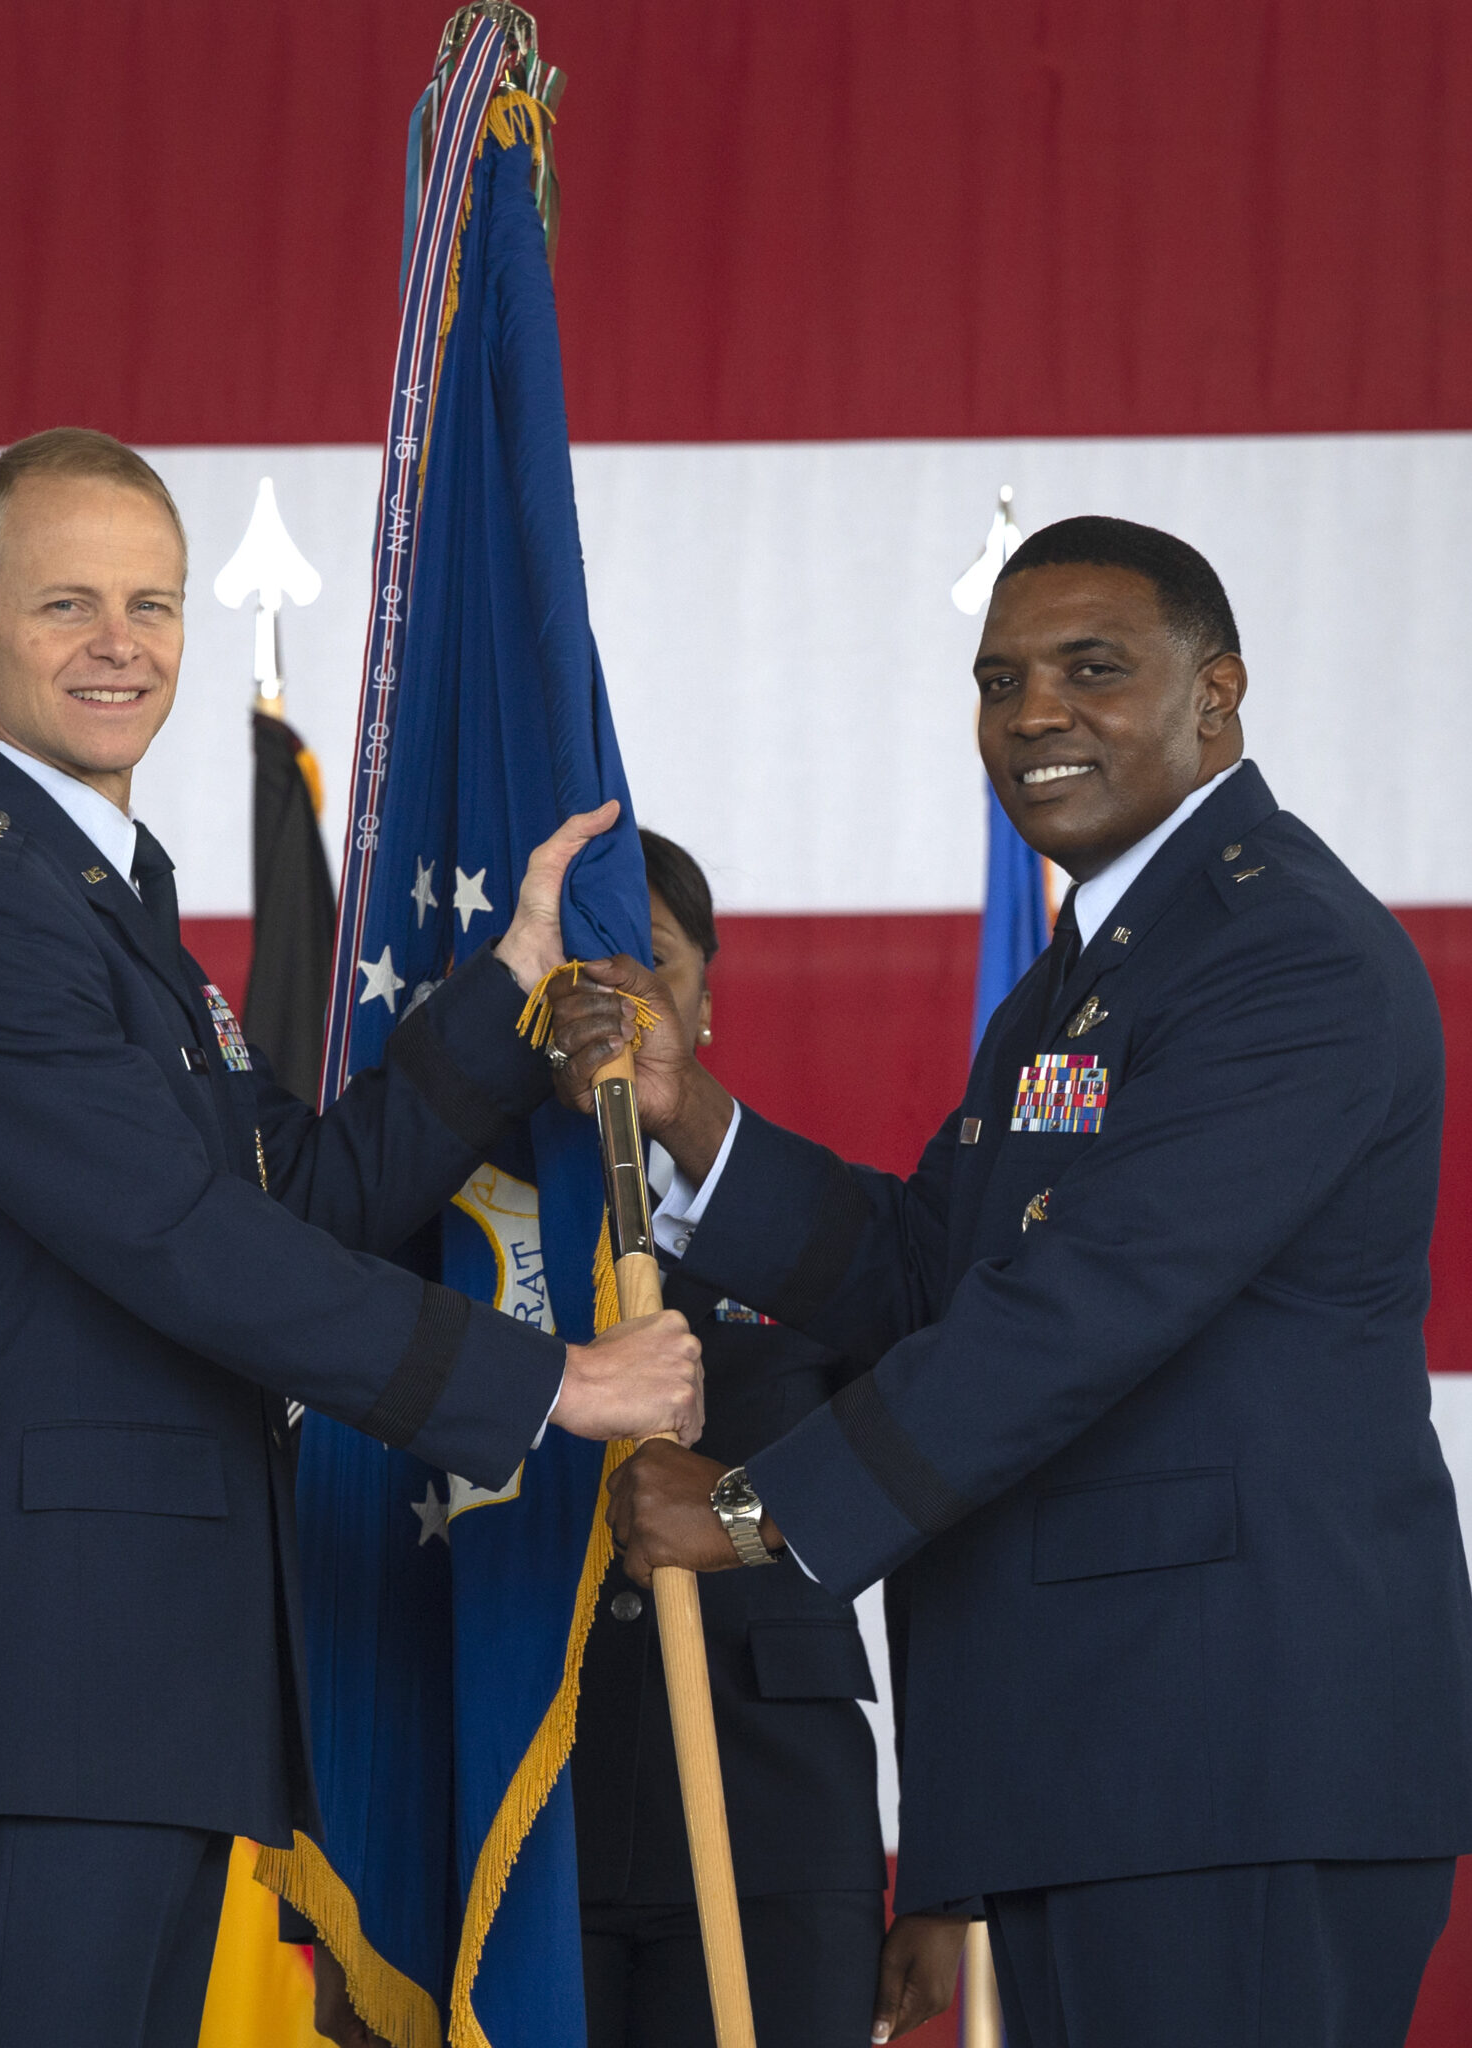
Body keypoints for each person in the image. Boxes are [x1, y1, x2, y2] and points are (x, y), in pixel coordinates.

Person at [554, 517, 1472, 2048]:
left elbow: (1079, 1314)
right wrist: (688, 1113)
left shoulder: (1284, 956)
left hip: (1237, 1760)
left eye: (1093, 670)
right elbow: (932, 1271)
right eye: (1000, 682)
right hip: (1107, 1759)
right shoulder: (1091, 975)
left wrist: (752, 1512)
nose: (1033, 714)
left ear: (1217, 696)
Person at [0, 427, 703, 2047]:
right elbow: (181, 1240)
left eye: (150, 604)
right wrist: (552, 1382)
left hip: (135, 1678)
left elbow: (291, 1194)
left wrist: (507, 984)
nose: (119, 644)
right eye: (66, 603)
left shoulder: (96, 900)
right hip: (50, 1676)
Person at [572, 830, 956, 2048]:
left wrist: (945, 1870)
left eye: (653, 958)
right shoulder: (457, 1245)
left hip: (776, 1821)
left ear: (705, 1000)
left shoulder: (820, 1238)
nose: (615, 990)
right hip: (519, 1822)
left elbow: (938, 1532)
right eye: (578, 962)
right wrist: (342, 1911)